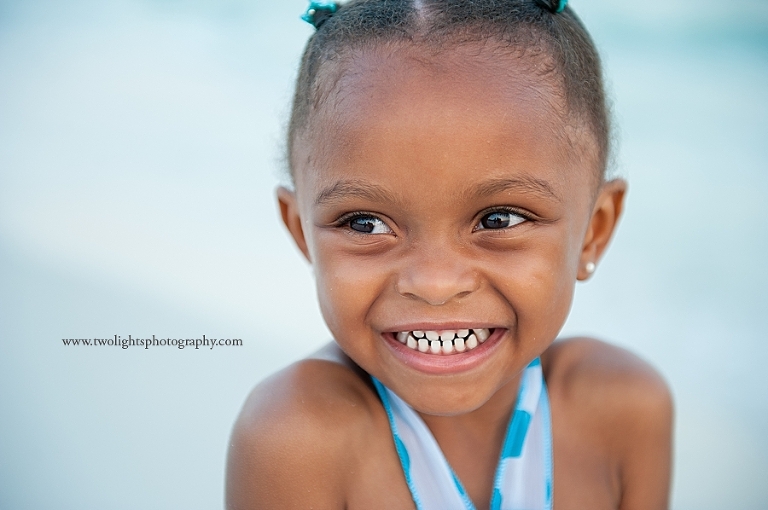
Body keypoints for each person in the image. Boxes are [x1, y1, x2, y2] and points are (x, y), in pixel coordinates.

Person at [226, 0, 673, 508]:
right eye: (365, 224)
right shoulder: (298, 436)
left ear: (594, 229)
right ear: (302, 232)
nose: (435, 283)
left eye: (498, 220)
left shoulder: (625, 409)